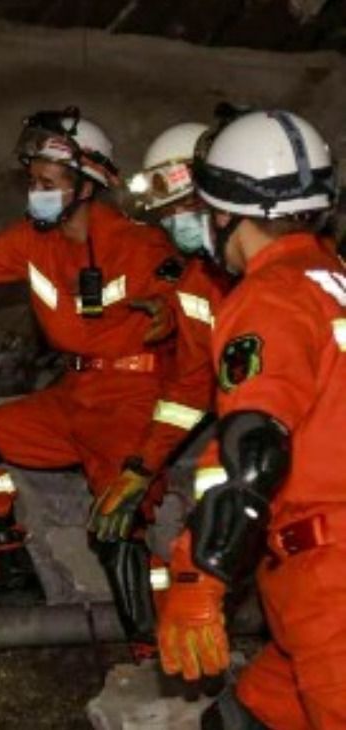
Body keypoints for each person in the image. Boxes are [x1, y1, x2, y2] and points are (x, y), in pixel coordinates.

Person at [0, 108, 202, 657]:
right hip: (71, 396)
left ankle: (152, 657)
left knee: (115, 526)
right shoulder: (30, 243)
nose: (35, 192)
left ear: (87, 185)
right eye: (32, 182)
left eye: (48, 183)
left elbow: (195, 292)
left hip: (131, 400)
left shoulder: (138, 244)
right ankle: (12, 566)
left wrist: (172, 312)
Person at [152, 110, 345, 729]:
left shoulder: (270, 295)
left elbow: (255, 445)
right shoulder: (334, 282)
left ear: (225, 210)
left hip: (331, 584)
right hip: (310, 588)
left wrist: (202, 574)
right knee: (240, 720)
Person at [89, 122, 230, 542]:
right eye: (164, 214)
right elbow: (190, 389)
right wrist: (141, 468)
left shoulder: (280, 274)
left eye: (181, 207)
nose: (173, 223)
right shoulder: (195, 285)